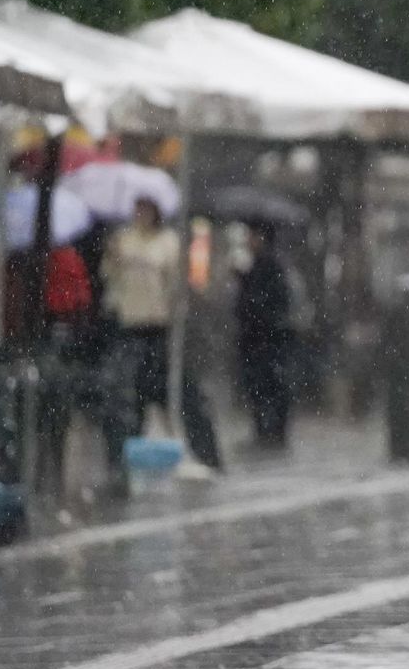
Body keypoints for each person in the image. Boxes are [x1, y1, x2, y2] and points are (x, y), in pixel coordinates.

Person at [101, 197, 222, 472]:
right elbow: (111, 279)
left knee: (185, 395)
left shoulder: (168, 242)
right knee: (124, 400)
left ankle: (207, 457)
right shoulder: (123, 240)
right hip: (130, 328)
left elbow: (176, 285)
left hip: (159, 330)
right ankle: (120, 462)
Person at [234, 221, 293, 451]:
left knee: (271, 385)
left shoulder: (271, 266)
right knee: (257, 387)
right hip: (254, 339)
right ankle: (264, 429)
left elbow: (270, 303)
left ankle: (274, 431)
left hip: (268, 339)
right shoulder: (255, 266)